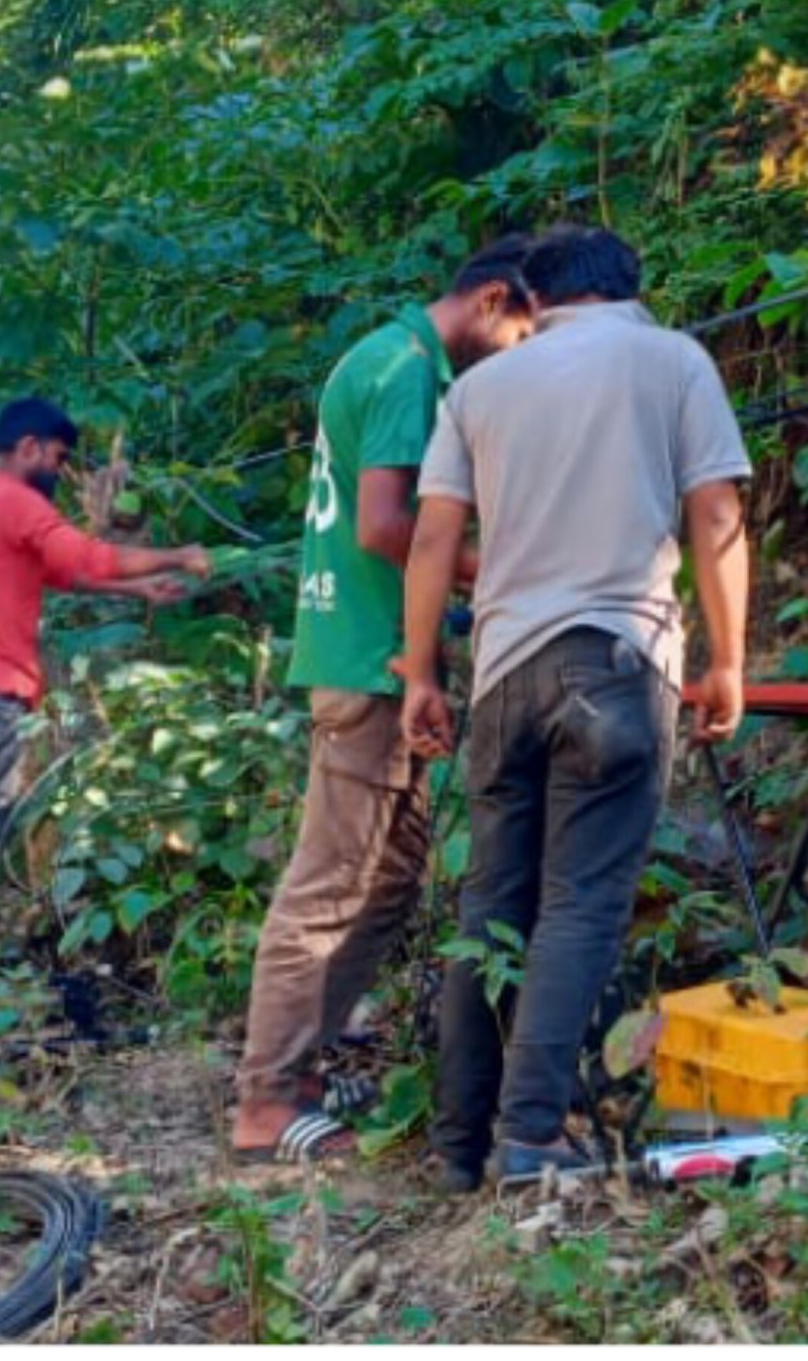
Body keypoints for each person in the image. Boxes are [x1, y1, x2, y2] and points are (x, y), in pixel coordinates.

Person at [399, 223, 750, 1190]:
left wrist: (423, 673)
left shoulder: (478, 389)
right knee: (581, 904)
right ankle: (532, 1133)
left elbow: (433, 540)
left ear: (535, 298)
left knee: (492, 906)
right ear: (630, 285)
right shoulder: (674, 359)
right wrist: (729, 660)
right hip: (617, 657)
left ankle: (458, 1143)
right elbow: (715, 515)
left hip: (504, 670)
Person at [229, 237, 538, 1165]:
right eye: (527, 328)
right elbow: (385, 527)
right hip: (368, 663)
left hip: (378, 657)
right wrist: (500, 571)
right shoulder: (408, 371)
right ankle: (264, 1101)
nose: (528, 352)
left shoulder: (385, 356)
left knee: (391, 875)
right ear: (492, 299)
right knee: (329, 886)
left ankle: (301, 1066)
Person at [0, 397, 211, 973]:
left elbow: (61, 572)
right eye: (57, 458)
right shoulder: (15, 502)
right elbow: (84, 553)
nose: (59, 475)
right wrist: (180, 555)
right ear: (29, 448)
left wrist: (137, 591)